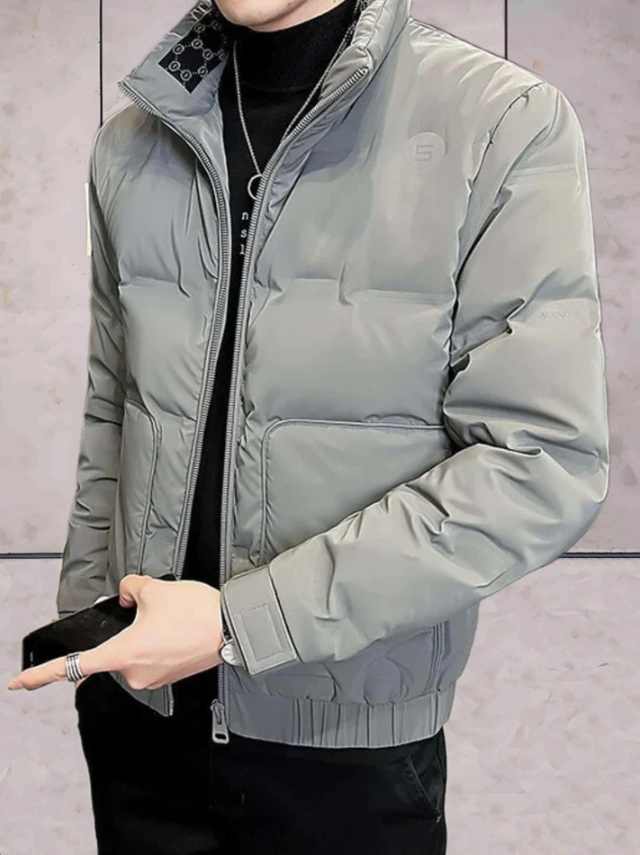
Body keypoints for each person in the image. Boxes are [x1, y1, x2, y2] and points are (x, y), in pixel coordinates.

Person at [8, 0, 609, 852]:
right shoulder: (132, 141)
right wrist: (87, 635)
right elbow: (115, 410)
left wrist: (238, 622)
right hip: (139, 730)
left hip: (344, 755)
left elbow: (540, 462)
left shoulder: (498, 121)